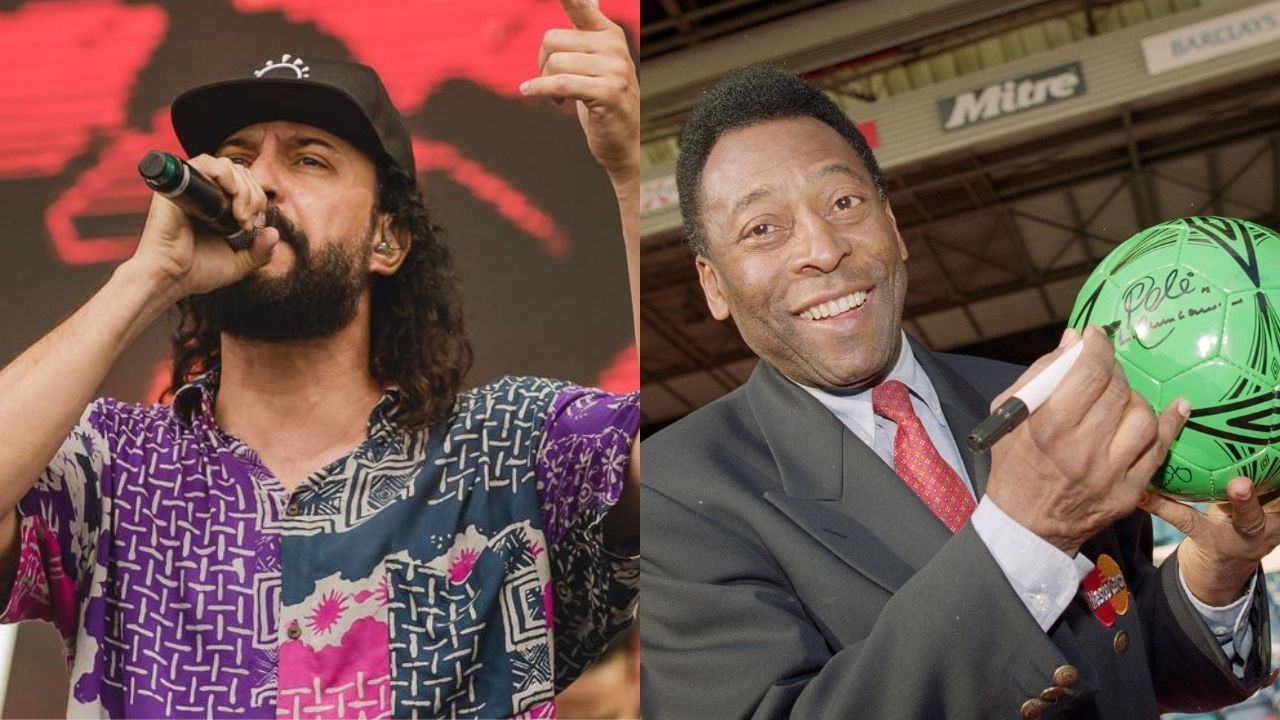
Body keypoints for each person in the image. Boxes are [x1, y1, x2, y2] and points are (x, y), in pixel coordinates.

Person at [0, 1, 640, 717]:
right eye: (238, 159)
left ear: (387, 240)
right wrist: (147, 279)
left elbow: (682, 470)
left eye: (308, 158)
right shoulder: (112, 464)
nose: (262, 184)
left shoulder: (507, 445)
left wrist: (628, 172)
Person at [640, 65, 1278, 719]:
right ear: (714, 285)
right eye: (762, 230)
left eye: (843, 204)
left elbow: (1128, 661)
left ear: (892, 226)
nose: (824, 249)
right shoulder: (672, 494)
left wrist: (1216, 568)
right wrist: (1026, 532)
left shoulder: (1034, 398)